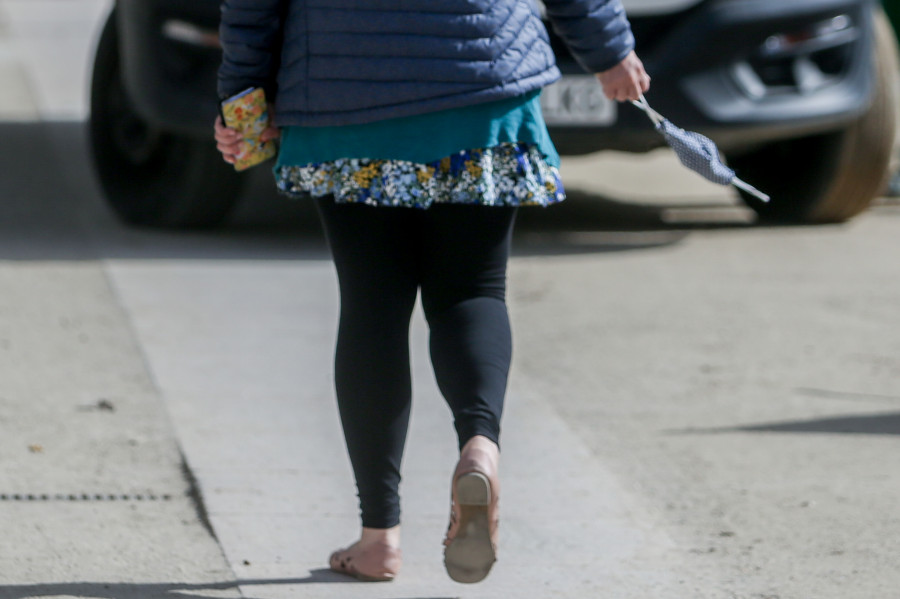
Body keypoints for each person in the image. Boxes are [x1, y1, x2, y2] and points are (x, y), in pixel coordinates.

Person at [214, 0, 649, 584]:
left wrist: (245, 96)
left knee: (373, 305)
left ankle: (379, 539)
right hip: (483, 84)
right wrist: (609, 49)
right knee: (473, 289)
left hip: (346, 89)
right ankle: (479, 445)